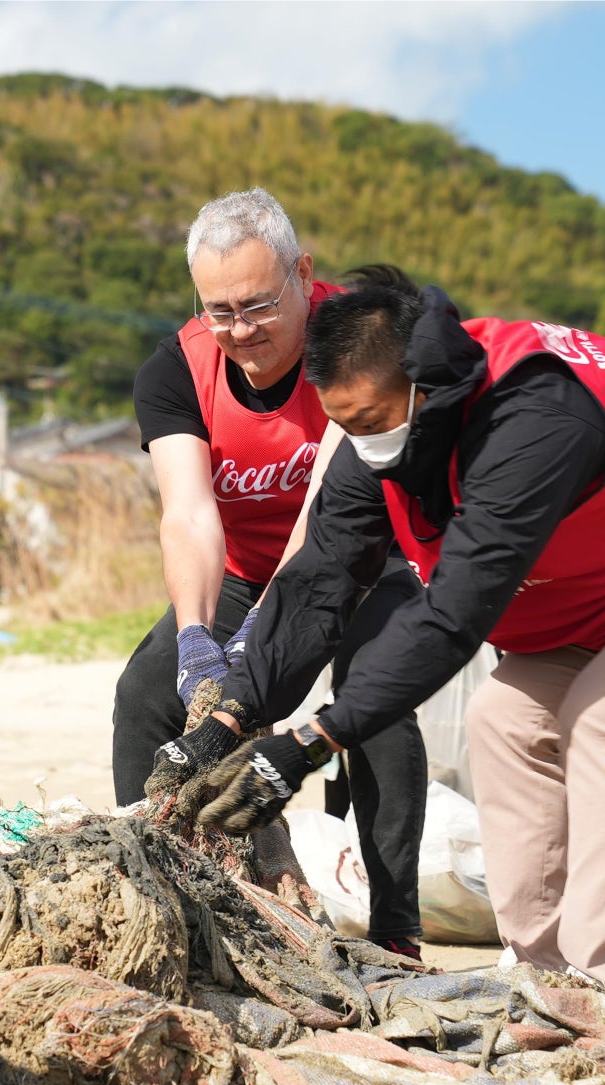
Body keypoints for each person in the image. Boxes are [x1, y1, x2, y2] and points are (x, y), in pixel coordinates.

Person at [150, 265, 605, 1022]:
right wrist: (232, 719)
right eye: (342, 423)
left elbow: (453, 617)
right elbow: (320, 582)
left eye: (372, 418)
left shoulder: (534, 421)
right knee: (503, 720)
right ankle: (543, 981)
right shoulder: (378, 431)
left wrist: (312, 741)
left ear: (424, 384)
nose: (361, 442)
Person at [117, 189, 426, 956]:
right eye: (219, 310)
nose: (240, 330)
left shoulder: (354, 340)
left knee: (376, 700)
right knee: (143, 694)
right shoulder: (179, 368)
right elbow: (189, 513)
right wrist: (195, 634)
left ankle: (396, 930)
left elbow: (328, 513)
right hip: (245, 571)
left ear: (303, 274)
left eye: (257, 305)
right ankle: (160, 900)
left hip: (362, 560)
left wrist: (267, 641)